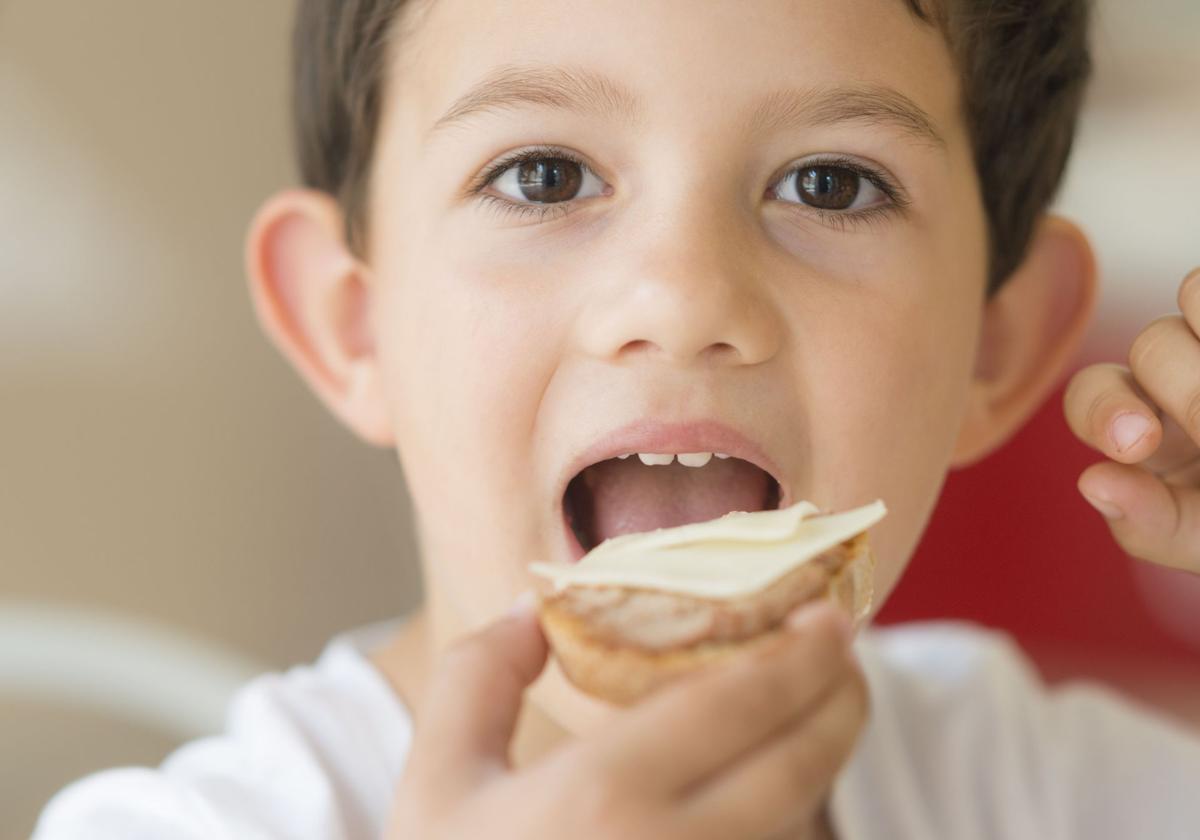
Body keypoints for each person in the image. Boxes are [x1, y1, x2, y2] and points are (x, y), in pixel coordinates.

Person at [32, 0, 1200, 837]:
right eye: (543, 175)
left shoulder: (1034, 788)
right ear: (355, 325)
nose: (684, 297)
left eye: (830, 183)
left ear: (997, 346)